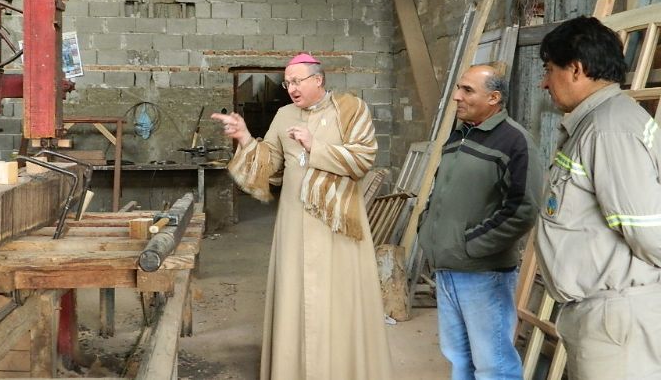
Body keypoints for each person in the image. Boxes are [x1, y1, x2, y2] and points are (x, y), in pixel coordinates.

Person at [211, 53, 394, 379]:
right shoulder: (283, 115)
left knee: (338, 302)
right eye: (287, 82)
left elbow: (363, 158)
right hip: (295, 223)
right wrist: (243, 137)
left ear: (318, 79)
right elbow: (269, 164)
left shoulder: (352, 109)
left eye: (298, 81)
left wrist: (315, 147)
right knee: (299, 300)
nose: (291, 87)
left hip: (337, 224)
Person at [536, 16, 661, 379]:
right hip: (604, 314)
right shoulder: (600, 122)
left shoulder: (610, 130)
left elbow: (650, 233)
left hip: (616, 317)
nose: (544, 82)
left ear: (575, 69)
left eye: (548, 69)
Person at [418, 63, 543, 380]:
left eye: (467, 90)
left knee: (493, 364)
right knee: (459, 359)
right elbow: (439, 191)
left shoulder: (515, 142)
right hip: (447, 269)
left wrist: (469, 245)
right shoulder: (458, 136)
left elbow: (523, 209)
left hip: (484, 274)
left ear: (494, 98)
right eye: (459, 88)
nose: (457, 96)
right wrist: (427, 228)